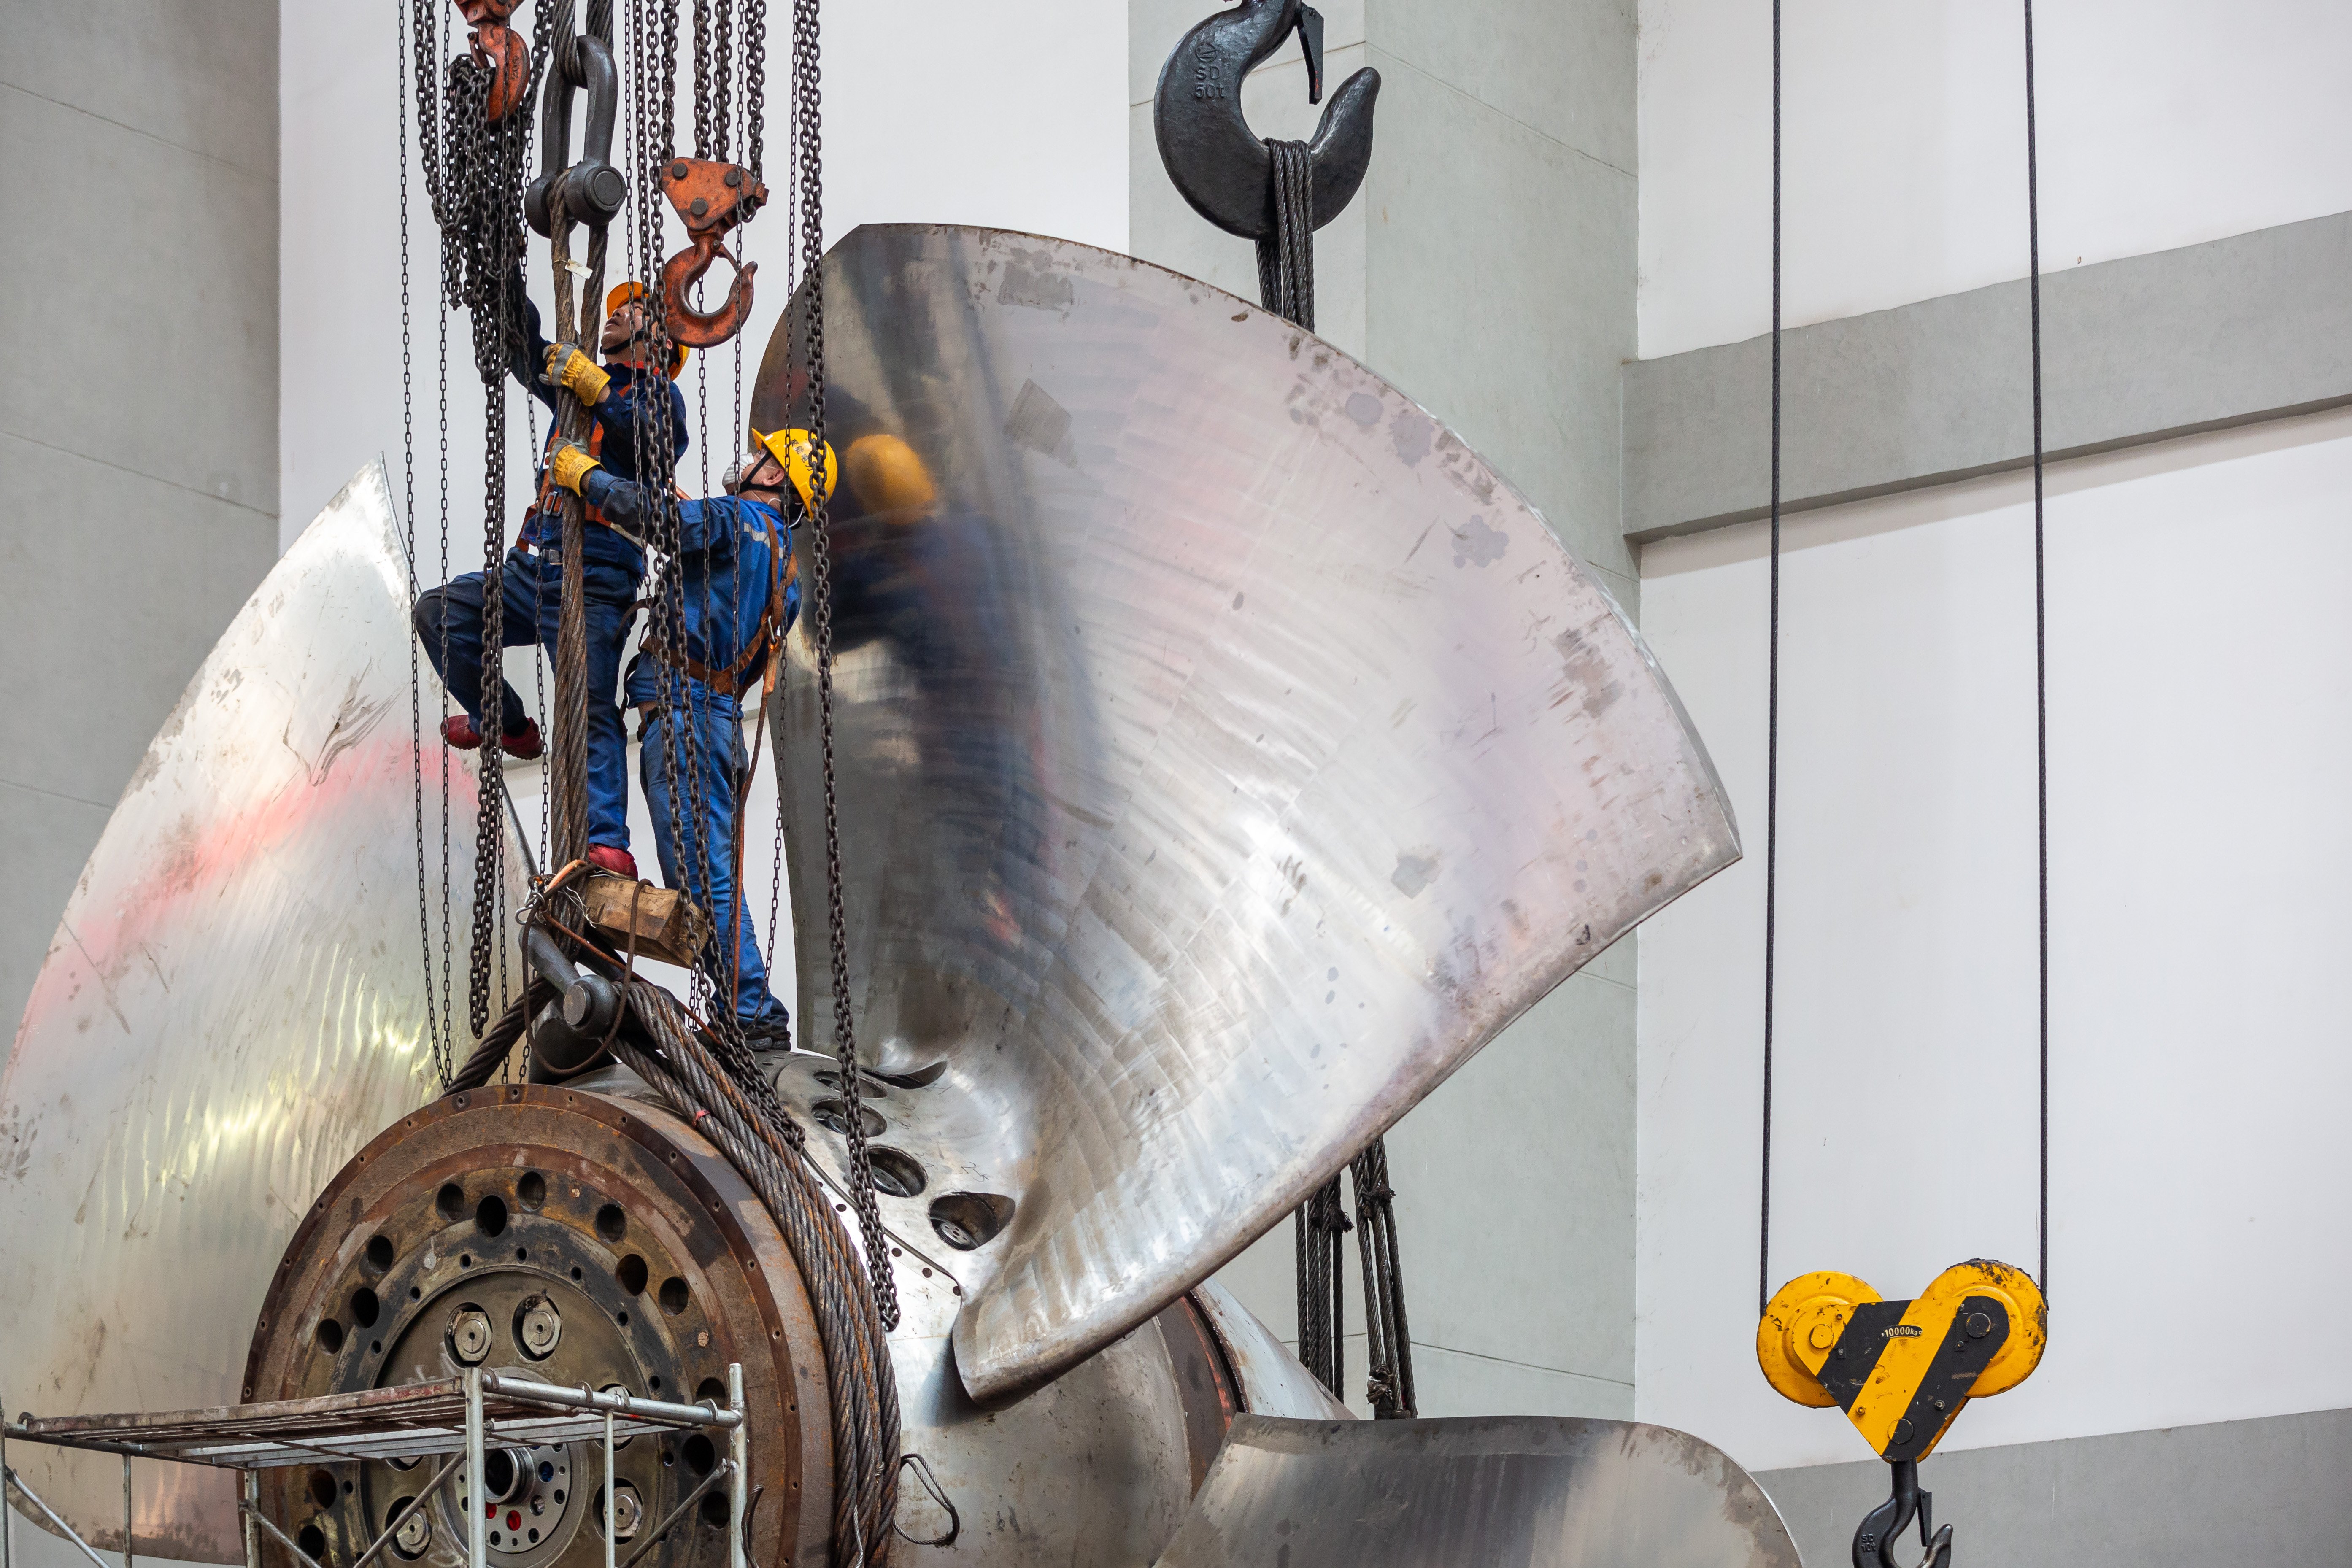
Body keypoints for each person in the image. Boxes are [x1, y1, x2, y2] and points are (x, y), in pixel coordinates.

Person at [545, 425, 830, 1043]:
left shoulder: (732, 518)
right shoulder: (787, 575)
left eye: (760, 457)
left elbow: (660, 522)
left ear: (775, 475)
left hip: (686, 721)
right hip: (716, 724)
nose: (748, 461)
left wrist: (586, 477)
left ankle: (751, 1014)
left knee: (705, 878)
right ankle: (746, 1009)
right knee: (710, 874)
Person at [411, 275, 690, 877]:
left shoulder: (660, 397)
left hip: (597, 576)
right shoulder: (574, 388)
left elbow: (656, 445)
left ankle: (606, 840)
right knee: (439, 616)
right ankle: (506, 723)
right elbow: (527, 347)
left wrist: (597, 388)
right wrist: (503, 279)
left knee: (588, 704)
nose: (618, 314)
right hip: (533, 565)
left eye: (633, 310)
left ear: (661, 341)